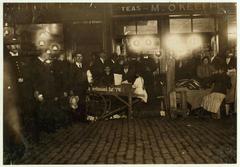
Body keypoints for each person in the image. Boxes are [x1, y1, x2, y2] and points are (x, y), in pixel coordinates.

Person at [31, 50, 58, 141]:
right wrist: (38, 93)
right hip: (41, 92)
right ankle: (37, 134)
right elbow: (34, 80)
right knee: (39, 112)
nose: (49, 55)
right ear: (43, 54)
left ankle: (47, 129)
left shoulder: (45, 64)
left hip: (48, 92)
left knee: (48, 111)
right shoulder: (35, 64)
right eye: (47, 54)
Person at [69, 53, 89, 122]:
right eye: (78, 57)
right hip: (76, 88)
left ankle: (83, 119)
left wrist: (87, 87)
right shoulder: (72, 67)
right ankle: (75, 120)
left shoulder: (84, 66)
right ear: (75, 58)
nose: (80, 58)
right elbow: (70, 79)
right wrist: (71, 89)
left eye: (81, 56)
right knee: (75, 103)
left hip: (83, 89)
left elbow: (87, 78)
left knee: (83, 103)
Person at [224, 49, 237, 115]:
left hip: (233, 77)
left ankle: (232, 109)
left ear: (230, 53)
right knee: (227, 91)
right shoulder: (223, 60)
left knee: (232, 92)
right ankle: (227, 110)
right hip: (226, 78)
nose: (227, 54)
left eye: (228, 53)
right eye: (226, 53)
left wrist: (232, 70)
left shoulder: (234, 60)